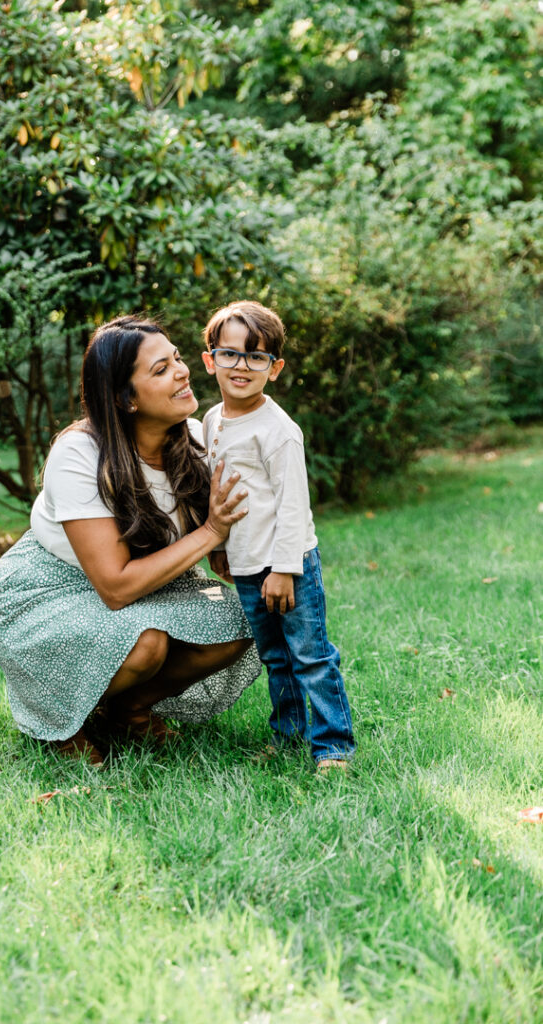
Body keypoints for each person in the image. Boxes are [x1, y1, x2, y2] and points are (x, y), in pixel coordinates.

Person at [0, 316, 261, 764]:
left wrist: (230, 548)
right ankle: (62, 723)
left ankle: (129, 709)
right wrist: (211, 533)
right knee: (145, 643)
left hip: (151, 578)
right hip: (51, 589)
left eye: (178, 359)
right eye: (161, 369)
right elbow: (116, 587)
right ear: (126, 399)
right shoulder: (79, 453)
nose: (183, 371)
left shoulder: (194, 439)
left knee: (243, 620)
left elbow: (220, 534)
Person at [201, 301, 355, 771]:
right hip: (247, 567)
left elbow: (293, 506)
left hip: (287, 565)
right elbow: (221, 491)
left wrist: (285, 570)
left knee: (309, 655)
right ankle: (288, 735)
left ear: (276, 368)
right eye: (230, 354)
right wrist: (224, 549)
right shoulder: (212, 420)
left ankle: (333, 745)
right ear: (209, 360)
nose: (241, 366)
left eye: (256, 356)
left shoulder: (278, 431)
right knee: (275, 657)